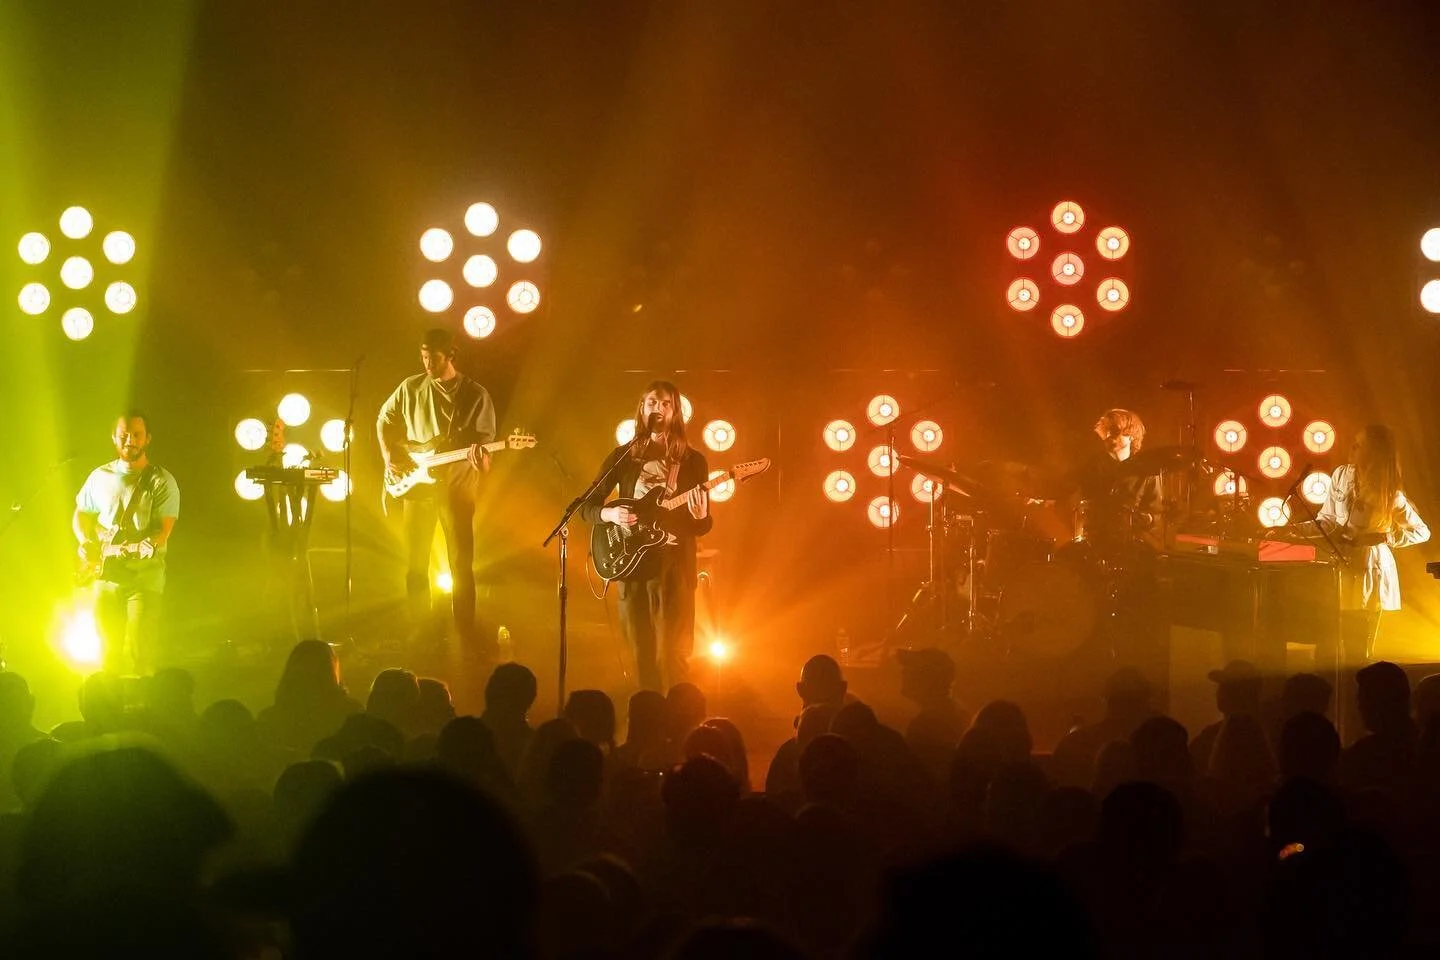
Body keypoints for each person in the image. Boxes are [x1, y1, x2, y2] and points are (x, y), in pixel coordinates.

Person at [580, 380, 711, 691]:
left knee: (673, 657)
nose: (659, 408)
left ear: (676, 412)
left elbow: (703, 526)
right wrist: (609, 514)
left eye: (666, 403)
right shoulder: (623, 457)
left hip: (673, 569)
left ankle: (679, 726)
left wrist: (701, 516)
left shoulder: (693, 461)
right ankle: (646, 724)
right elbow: (587, 505)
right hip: (631, 566)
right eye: (653, 402)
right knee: (641, 657)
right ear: (642, 408)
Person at [376, 328, 497, 657]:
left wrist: (479, 458)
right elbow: (384, 418)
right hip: (417, 488)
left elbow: (486, 455)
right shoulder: (410, 387)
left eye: (434, 357)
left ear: (451, 356)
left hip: (457, 489)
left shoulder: (474, 395)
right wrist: (391, 456)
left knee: (461, 563)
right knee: (415, 563)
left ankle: (465, 632)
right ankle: (421, 630)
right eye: (424, 355)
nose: (427, 363)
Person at [1306, 425, 1428, 659]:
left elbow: (1422, 531)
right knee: (1326, 645)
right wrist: (1289, 529)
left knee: (1357, 648)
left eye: (1359, 444)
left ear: (1374, 453)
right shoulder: (1341, 475)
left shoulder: (1389, 493)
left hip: (1371, 571)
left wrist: (1387, 536)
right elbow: (1327, 519)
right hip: (1340, 566)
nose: (1352, 447)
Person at [73, 412, 180, 674]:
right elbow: (81, 512)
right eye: (124, 434)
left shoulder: (161, 481)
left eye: (136, 434)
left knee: (140, 654)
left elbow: (162, 532)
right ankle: (108, 711)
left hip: (143, 581)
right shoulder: (99, 476)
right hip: (105, 579)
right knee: (106, 655)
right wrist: (85, 540)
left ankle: (141, 710)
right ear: (114, 438)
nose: (129, 439)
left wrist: (145, 546)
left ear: (147, 439)